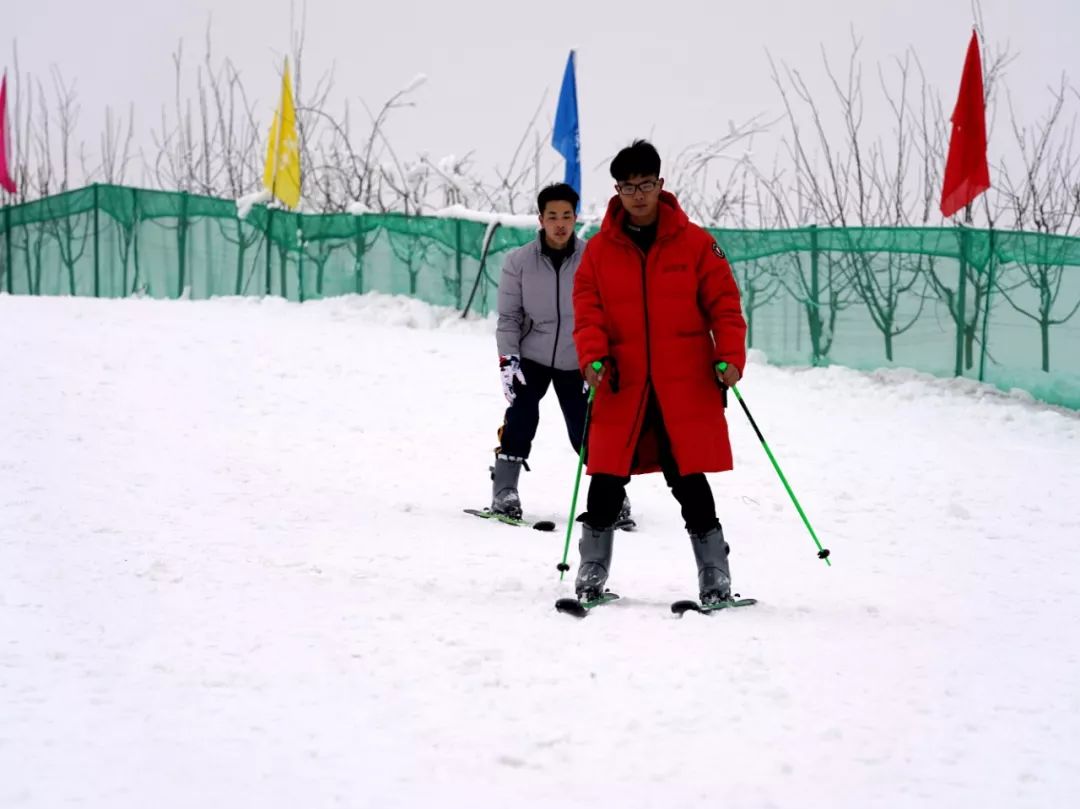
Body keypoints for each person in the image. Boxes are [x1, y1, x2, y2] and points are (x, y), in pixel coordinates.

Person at [571, 139, 747, 604]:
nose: (638, 195)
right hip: (621, 382)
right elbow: (587, 310)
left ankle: (715, 574)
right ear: (617, 190)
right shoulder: (599, 251)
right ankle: (591, 570)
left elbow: (725, 306)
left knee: (688, 476)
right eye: (628, 187)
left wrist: (728, 355)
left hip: (682, 384)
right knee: (606, 476)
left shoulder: (696, 243)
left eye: (646, 184)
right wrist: (592, 354)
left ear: (661, 184)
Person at [490, 182, 631, 524]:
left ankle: (614, 495)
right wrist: (509, 360)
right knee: (521, 416)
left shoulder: (594, 257)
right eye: (552, 216)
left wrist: (601, 358)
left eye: (566, 215)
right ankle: (505, 491)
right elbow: (509, 317)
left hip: (579, 358)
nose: (560, 223)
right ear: (540, 218)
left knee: (588, 430)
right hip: (532, 356)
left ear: (575, 217)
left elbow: (609, 313)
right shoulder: (519, 261)